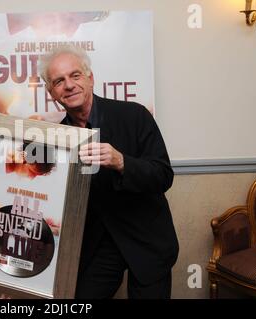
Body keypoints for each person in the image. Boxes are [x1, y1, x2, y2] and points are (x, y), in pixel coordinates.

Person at [39, 45, 179, 299]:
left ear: (90, 78)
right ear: (52, 93)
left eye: (75, 75)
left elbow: (163, 175)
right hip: (97, 248)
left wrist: (122, 162)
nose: (69, 85)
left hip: (146, 240)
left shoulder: (134, 115)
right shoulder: (57, 139)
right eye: (59, 81)